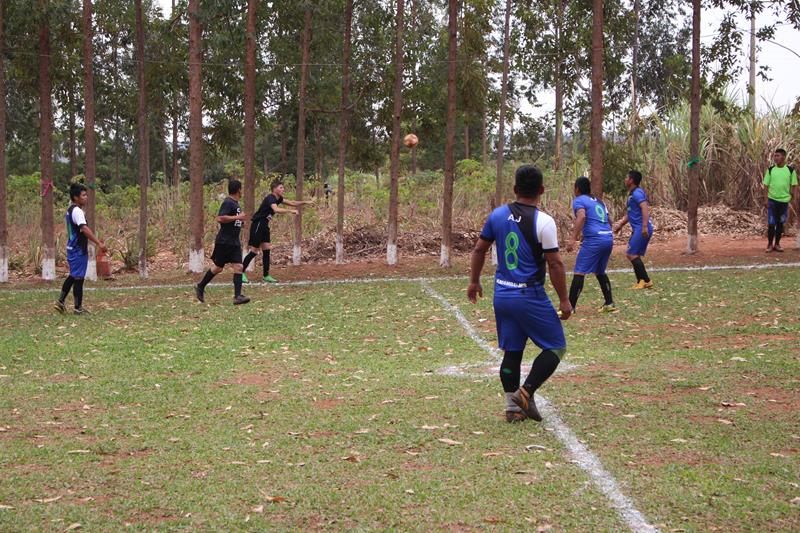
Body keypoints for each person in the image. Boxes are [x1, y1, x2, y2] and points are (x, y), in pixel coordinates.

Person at [468, 165, 571, 423]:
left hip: (502, 294)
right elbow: (555, 263)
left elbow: (479, 249)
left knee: (512, 351)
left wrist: (474, 281)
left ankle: (512, 409)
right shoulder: (544, 222)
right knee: (556, 347)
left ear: (514, 189)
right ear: (542, 191)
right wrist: (565, 299)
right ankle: (525, 393)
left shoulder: (497, 215)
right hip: (530, 296)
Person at [241, 180, 311, 283]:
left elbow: (292, 202)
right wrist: (290, 211)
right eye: (281, 188)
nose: (283, 189)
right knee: (254, 251)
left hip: (265, 225)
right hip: (258, 224)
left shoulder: (279, 198)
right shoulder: (270, 198)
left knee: (266, 250)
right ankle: (241, 273)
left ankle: (266, 275)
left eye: (283, 188)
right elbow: (276, 210)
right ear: (274, 189)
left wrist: (305, 202)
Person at [55, 183, 108, 315]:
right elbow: (84, 228)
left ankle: (60, 302)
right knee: (78, 278)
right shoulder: (77, 211)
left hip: (73, 247)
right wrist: (98, 243)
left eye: (86, 195)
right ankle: (77, 308)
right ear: (75, 197)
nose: (86, 197)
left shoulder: (70, 209)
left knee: (73, 276)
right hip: (78, 248)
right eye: (83, 195)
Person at [195, 180, 250, 305]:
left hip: (234, 241)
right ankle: (201, 285)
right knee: (218, 268)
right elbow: (220, 218)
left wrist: (241, 223)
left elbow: (233, 220)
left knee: (239, 266)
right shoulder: (228, 202)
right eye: (241, 189)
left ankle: (237, 297)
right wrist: (237, 218)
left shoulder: (236, 204)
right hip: (224, 241)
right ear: (238, 190)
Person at [565, 176, 615, 312]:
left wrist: (573, 239)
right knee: (599, 271)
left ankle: (570, 307)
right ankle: (609, 303)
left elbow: (582, 216)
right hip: (608, 238)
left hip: (595, 240)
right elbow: (609, 221)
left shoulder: (579, 200)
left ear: (577, 189)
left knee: (579, 271)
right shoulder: (599, 202)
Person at [613, 170, 653, 289]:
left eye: (626, 177)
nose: (625, 179)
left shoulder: (637, 193)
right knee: (634, 254)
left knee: (631, 254)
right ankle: (641, 281)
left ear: (631, 180)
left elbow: (644, 207)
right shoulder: (632, 195)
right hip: (639, 228)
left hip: (642, 228)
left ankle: (645, 280)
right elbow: (631, 214)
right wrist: (620, 224)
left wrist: (644, 226)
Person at [763, 148, 797, 252]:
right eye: (775, 156)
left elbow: (794, 185)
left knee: (780, 224)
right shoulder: (771, 170)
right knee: (771, 223)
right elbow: (765, 185)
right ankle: (769, 245)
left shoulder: (790, 171)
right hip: (772, 201)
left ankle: (777, 244)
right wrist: (765, 199)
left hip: (784, 202)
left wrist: (793, 198)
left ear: (783, 157)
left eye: (778, 156)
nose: (775, 158)